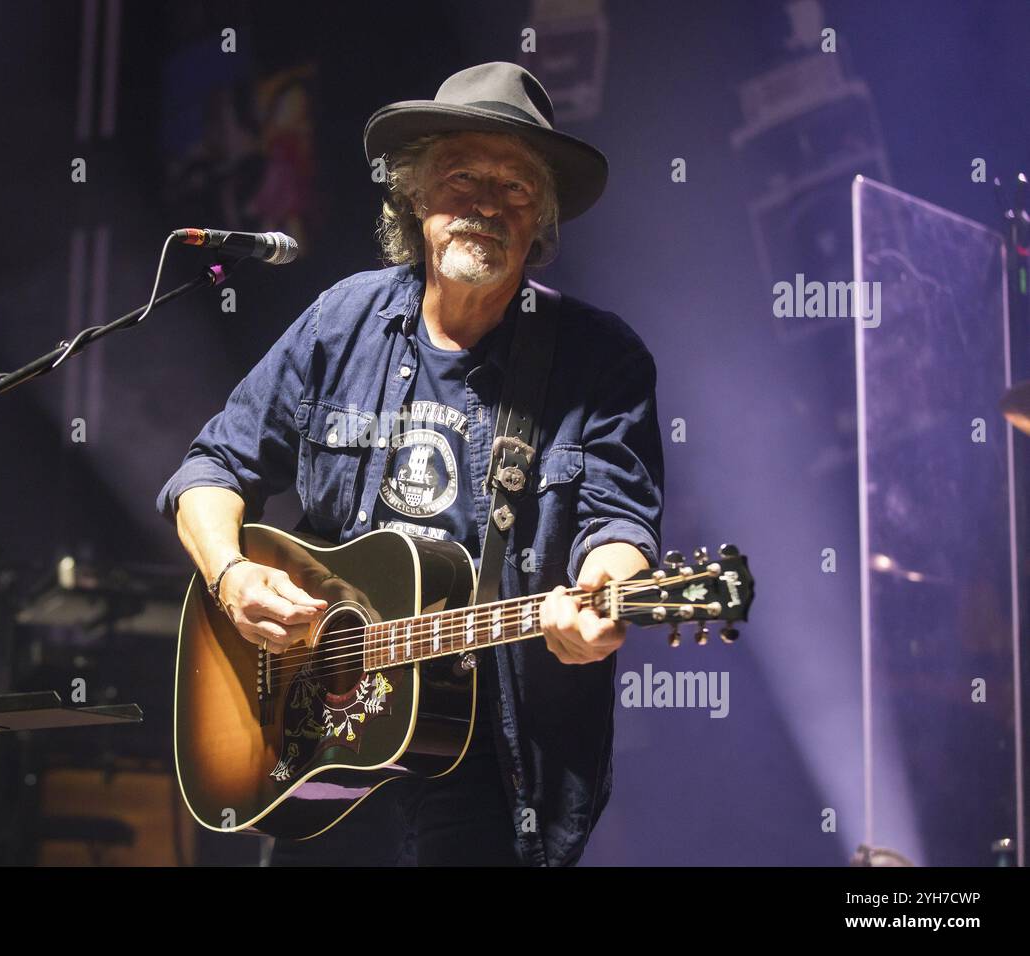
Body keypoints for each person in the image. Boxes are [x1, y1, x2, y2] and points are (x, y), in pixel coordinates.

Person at [158, 62, 664, 866]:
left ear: (540, 223)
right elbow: (211, 470)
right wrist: (230, 574)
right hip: (316, 745)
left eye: (516, 190)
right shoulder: (342, 320)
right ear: (415, 197)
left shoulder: (599, 359)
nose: (487, 205)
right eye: (464, 178)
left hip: (489, 756)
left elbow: (618, 518)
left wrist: (608, 590)